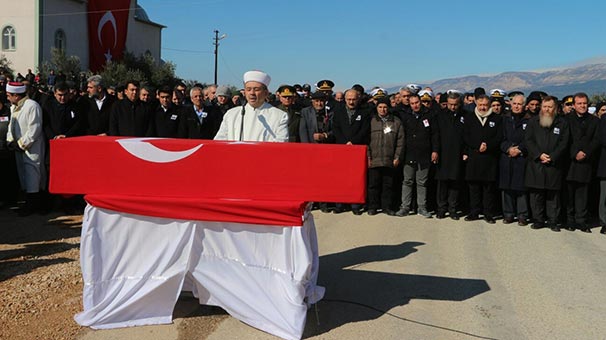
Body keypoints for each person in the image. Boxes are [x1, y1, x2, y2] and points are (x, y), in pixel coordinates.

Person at [525, 96, 569, 231]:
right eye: (544, 106)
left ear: (555, 108)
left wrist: (553, 156)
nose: (546, 109)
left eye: (550, 107)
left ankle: (553, 221)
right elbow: (528, 140)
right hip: (536, 164)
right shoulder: (533, 122)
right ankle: (538, 220)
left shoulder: (562, 123)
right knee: (536, 194)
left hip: (553, 164)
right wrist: (539, 155)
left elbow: (564, 142)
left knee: (553, 195)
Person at [5, 82, 46, 215]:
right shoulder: (14, 107)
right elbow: (12, 126)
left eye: (8, 95)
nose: (7, 98)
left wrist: (22, 143)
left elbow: (34, 129)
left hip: (31, 147)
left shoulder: (32, 106)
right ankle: (27, 202)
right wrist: (11, 141)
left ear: (16, 95)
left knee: (33, 174)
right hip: (19, 148)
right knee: (24, 175)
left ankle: (33, 204)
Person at [396, 93, 439, 218]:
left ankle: (422, 207)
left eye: (417, 103)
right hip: (409, 153)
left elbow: (435, 134)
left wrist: (435, 151)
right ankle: (405, 207)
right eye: (412, 103)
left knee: (422, 182)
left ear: (420, 102)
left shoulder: (430, 114)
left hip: (424, 154)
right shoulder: (406, 115)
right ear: (409, 104)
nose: (415, 105)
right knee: (407, 181)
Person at [214, 70, 288, 142]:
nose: (252, 93)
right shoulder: (231, 114)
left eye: (256, 89)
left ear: (265, 93)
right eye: (248, 89)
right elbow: (219, 142)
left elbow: (281, 144)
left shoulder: (279, 116)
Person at [463, 94, 502, 224]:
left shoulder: (496, 119)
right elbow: (465, 136)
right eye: (480, 105)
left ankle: (488, 214)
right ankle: (474, 212)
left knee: (488, 188)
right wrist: (477, 145)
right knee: (474, 187)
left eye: (485, 105)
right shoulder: (469, 118)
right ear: (476, 104)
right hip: (474, 157)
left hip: (489, 158)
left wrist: (488, 145)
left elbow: (499, 136)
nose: (483, 107)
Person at [332, 88, 371, 215]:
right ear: (345, 99)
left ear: (358, 99)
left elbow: (365, 130)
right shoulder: (338, 112)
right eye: (349, 99)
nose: (351, 102)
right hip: (342, 149)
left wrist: (353, 142)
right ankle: (339, 204)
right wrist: (345, 142)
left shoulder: (364, 112)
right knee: (340, 178)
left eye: (354, 99)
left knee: (355, 178)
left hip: (357, 149)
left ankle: (355, 204)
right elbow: (336, 128)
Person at [564, 92, 599, 233]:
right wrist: (575, 153)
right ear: (574, 105)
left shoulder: (595, 121)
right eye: (579, 103)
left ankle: (581, 221)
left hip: (586, 161)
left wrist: (585, 152)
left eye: (584, 103)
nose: (582, 106)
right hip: (570, 162)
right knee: (569, 193)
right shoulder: (565, 120)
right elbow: (565, 140)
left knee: (582, 194)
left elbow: (596, 140)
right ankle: (570, 220)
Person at [367, 98, 404, 216]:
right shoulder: (371, 121)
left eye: (385, 107)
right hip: (374, 159)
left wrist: (397, 157)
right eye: (380, 107)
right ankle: (373, 206)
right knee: (373, 185)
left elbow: (400, 141)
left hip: (389, 159)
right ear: (376, 108)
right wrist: (368, 156)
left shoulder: (396, 122)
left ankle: (386, 207)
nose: (382, 109)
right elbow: (366, 140)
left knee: (388, 185)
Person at [499, 94, 530, 226]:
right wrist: (508, 149)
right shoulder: (504, 119)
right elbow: (499, 138)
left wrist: (520, 149)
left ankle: (522, 215)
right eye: (515, 104)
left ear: (524, 106)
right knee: (507, 187)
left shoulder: (530, 120)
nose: (517, 106)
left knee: (521, 187)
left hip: (522, 157)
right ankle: (508, 214)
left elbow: (530, 139)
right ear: (510, 104)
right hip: (507, 156)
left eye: (520, 104)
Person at [434, 92, 466, 220]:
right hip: (443, 153)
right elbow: (436, 135)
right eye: (451, 105)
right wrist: (435, 150)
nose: (453, 107)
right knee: (443, 182)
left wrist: (465, 152)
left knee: (455, 182)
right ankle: (441, 208)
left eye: (455, 105)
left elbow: (467, 136)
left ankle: (453, 209)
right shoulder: (440, 116)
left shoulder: (465, 116)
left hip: (457, 153)